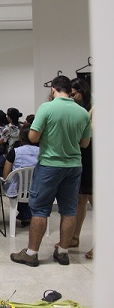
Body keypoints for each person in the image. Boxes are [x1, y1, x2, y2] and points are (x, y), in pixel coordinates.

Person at [10, 75, 91, 267]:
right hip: (73, 166)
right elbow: (85, 143)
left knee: (39, 209)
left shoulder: (47, 108)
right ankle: (63, 253)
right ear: (69, 90)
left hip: (49, 165)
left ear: (53, 89)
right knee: (69, 210)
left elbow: (34, 137)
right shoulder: (82, 112)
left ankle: (31, 254)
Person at [69, 77, 94, 259]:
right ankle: (74, 237)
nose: (72, 97)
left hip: (94, 159)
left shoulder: (95, 109)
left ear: (82, 92)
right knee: (80, 200)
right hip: (82, 159)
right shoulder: (80, 110)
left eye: (74, 94)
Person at [2, 126, 40, 227]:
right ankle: (27, 215)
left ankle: (25, 215)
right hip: (38, 189)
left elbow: (6, 175)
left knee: (19, 187)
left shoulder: (15, 152)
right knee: (28, 189)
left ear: (21, 137)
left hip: (17, 190)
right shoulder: (43, 152)